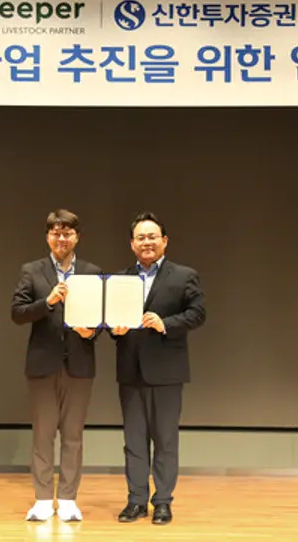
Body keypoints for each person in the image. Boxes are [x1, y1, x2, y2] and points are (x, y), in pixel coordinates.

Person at [110, 211, 206, 525]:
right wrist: (115, 329)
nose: (147, 242)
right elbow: (112, 320)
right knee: (134, 442)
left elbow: (197, 313)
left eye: (152, 236)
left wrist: (165, 323)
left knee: (165, 441)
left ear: (164, 241)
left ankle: (162, 501)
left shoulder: (184, 276)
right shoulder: (120, 279)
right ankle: (136, 500)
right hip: (130, 371)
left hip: (167, 372)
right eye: (141, 237)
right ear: (132, 244)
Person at [11, 209, 102, 522]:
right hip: (42, 365)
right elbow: (17, 312)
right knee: (43, 435)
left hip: (79, 364)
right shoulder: (32, 271)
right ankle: (41, 499)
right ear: (47, 236)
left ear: (77, 237)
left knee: (73, 436)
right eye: (55, 233)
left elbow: (101, 316)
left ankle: (67, 499)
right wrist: (47, 302)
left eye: (67, 233)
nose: (61, 238)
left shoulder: (91, 272)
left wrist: (93, 331)